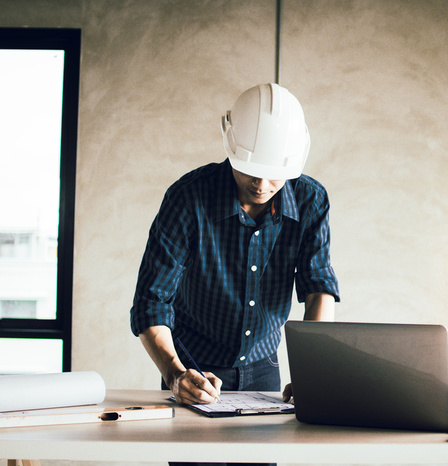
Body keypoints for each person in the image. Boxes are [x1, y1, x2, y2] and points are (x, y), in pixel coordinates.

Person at [130, 83, 340, 416]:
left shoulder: (311, 200)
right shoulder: (188, 198)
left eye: (274, 176)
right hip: (192, 365)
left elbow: (319, 290)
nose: (261, 186)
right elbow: (151, 301)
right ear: (230, 146)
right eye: (250, 171)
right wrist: (173, 374)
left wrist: (312, 371)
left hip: (263, 367)